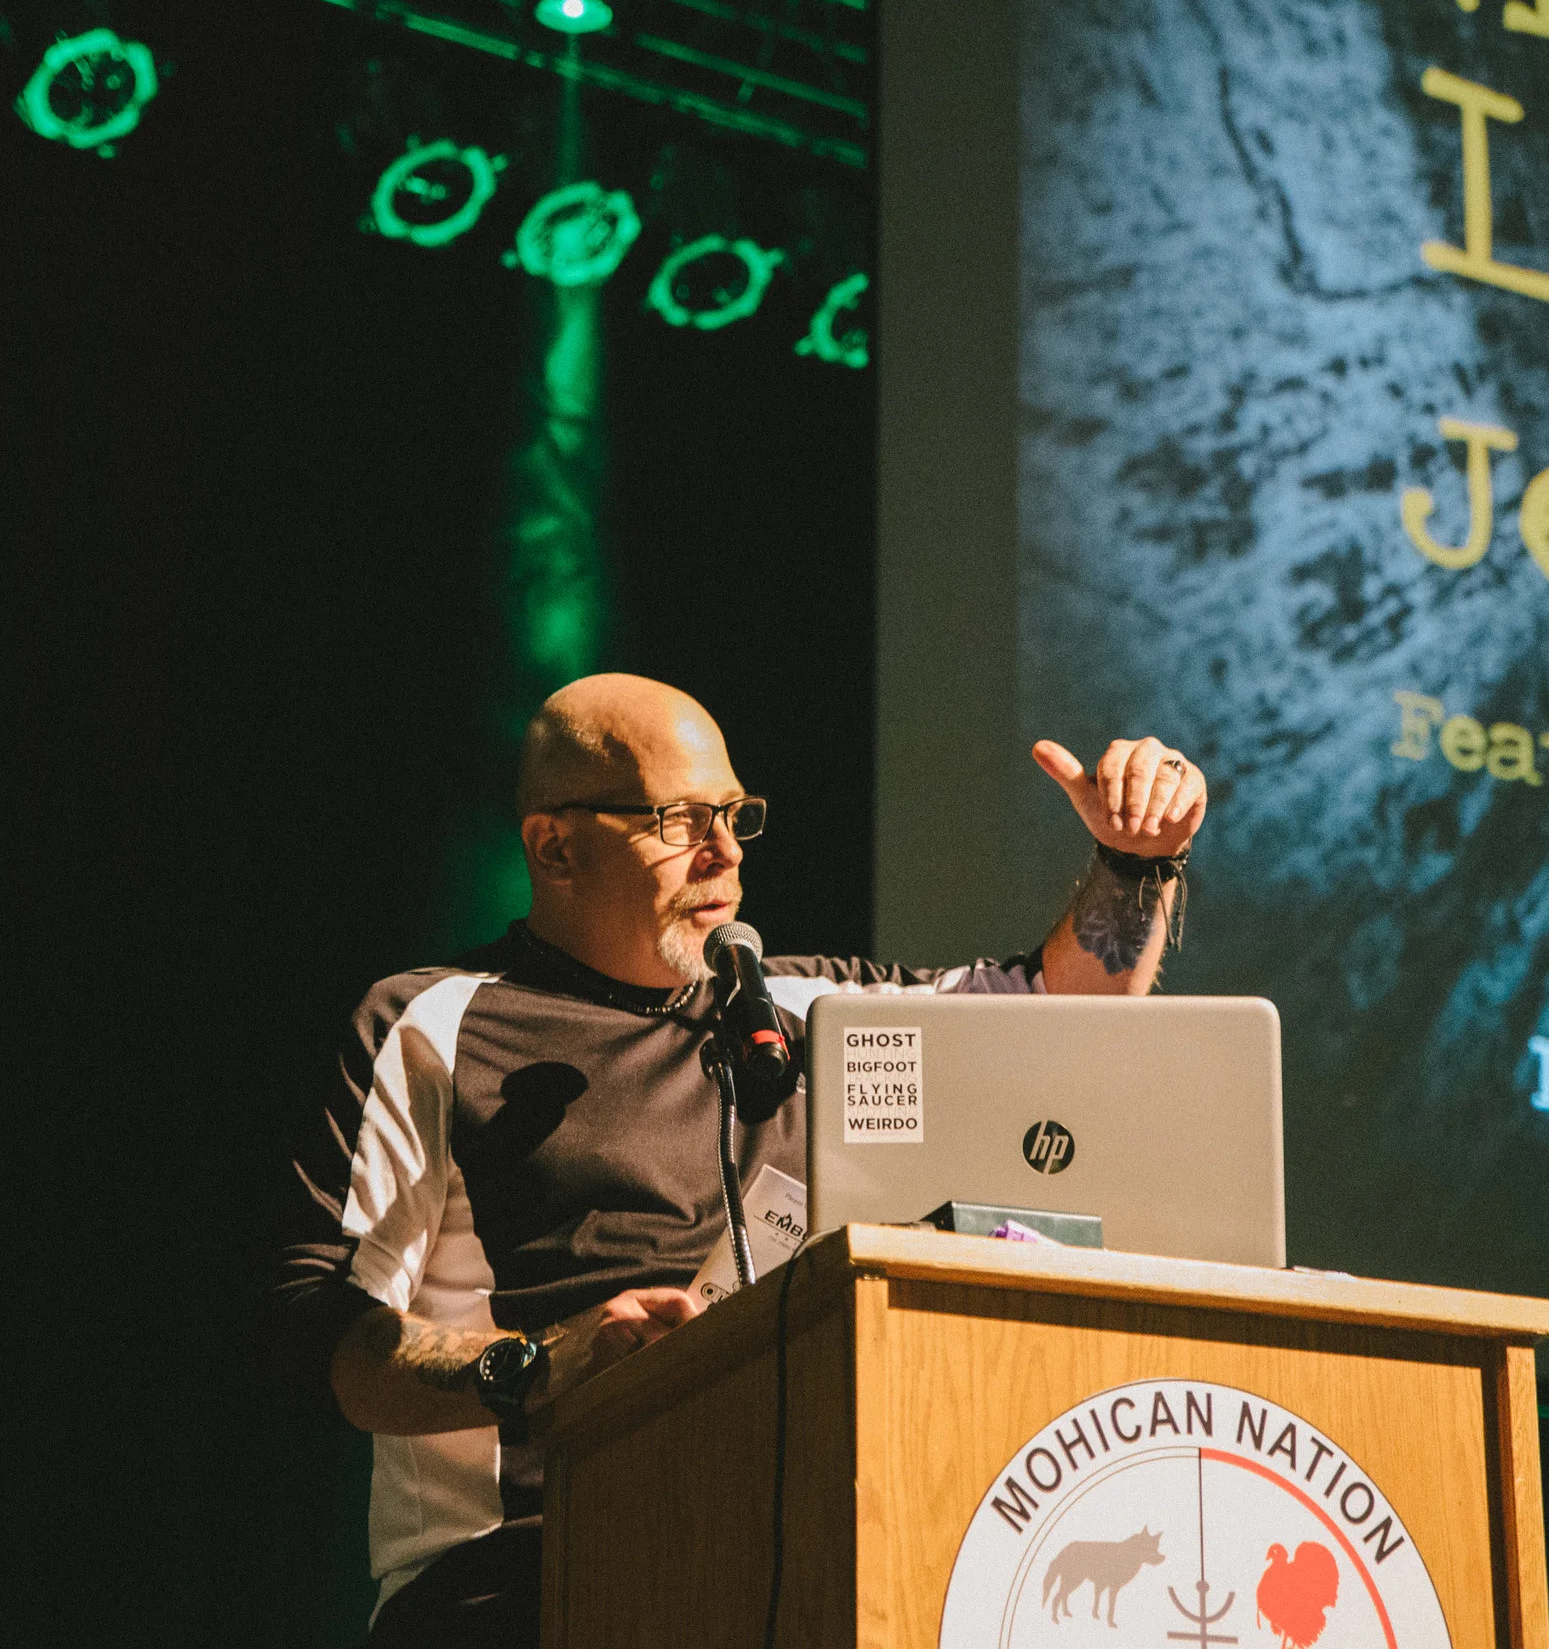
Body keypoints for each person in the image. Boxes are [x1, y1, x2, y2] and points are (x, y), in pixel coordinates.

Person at [272, 674, 1207, 1648]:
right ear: (555, 846)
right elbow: (315, 1329)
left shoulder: (804, 1016)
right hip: (525, 1581)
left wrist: (1136, 863)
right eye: (681, 820)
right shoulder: (433, 1024)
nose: (725, 852)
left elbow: (1059, 1012)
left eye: (733, 814)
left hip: (796, 1572)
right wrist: (539, 1364)